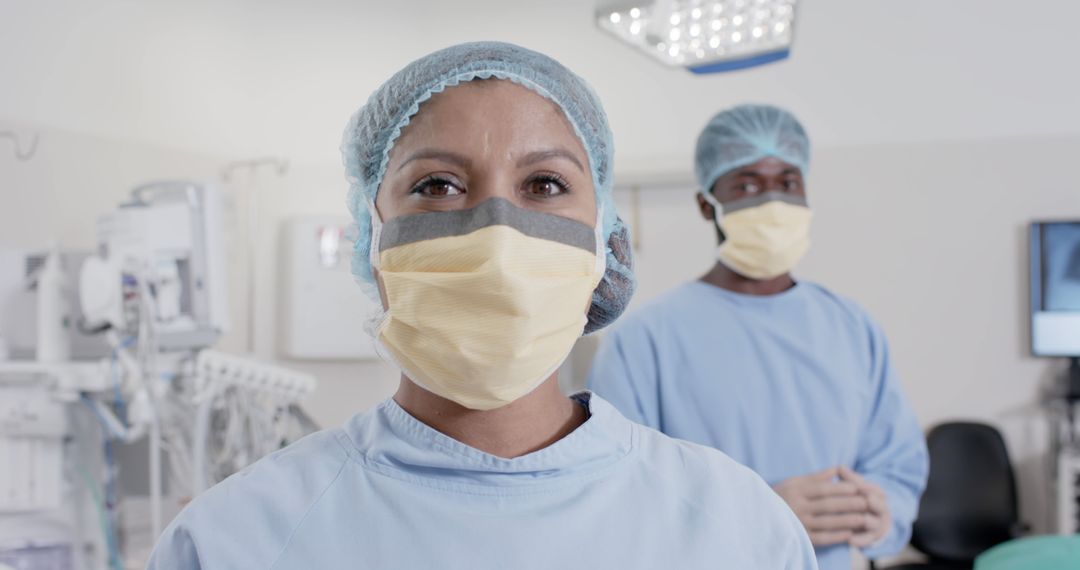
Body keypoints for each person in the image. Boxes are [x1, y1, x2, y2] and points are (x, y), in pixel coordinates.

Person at [146, 45, 817, 569]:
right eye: (437, 185)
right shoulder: (234, 542)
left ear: (604, 244)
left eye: (545, 184)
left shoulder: (738, 529)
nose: (498, 236)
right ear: (369, 238)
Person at [589, 104, 929, 570]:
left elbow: (897, 463)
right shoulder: (645, 339)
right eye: (747, 185)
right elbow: (618, 496)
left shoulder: (851, 326)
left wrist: (880, 514)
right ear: (707, 204)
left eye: (788, 182)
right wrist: (755, 509)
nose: (772, 201)